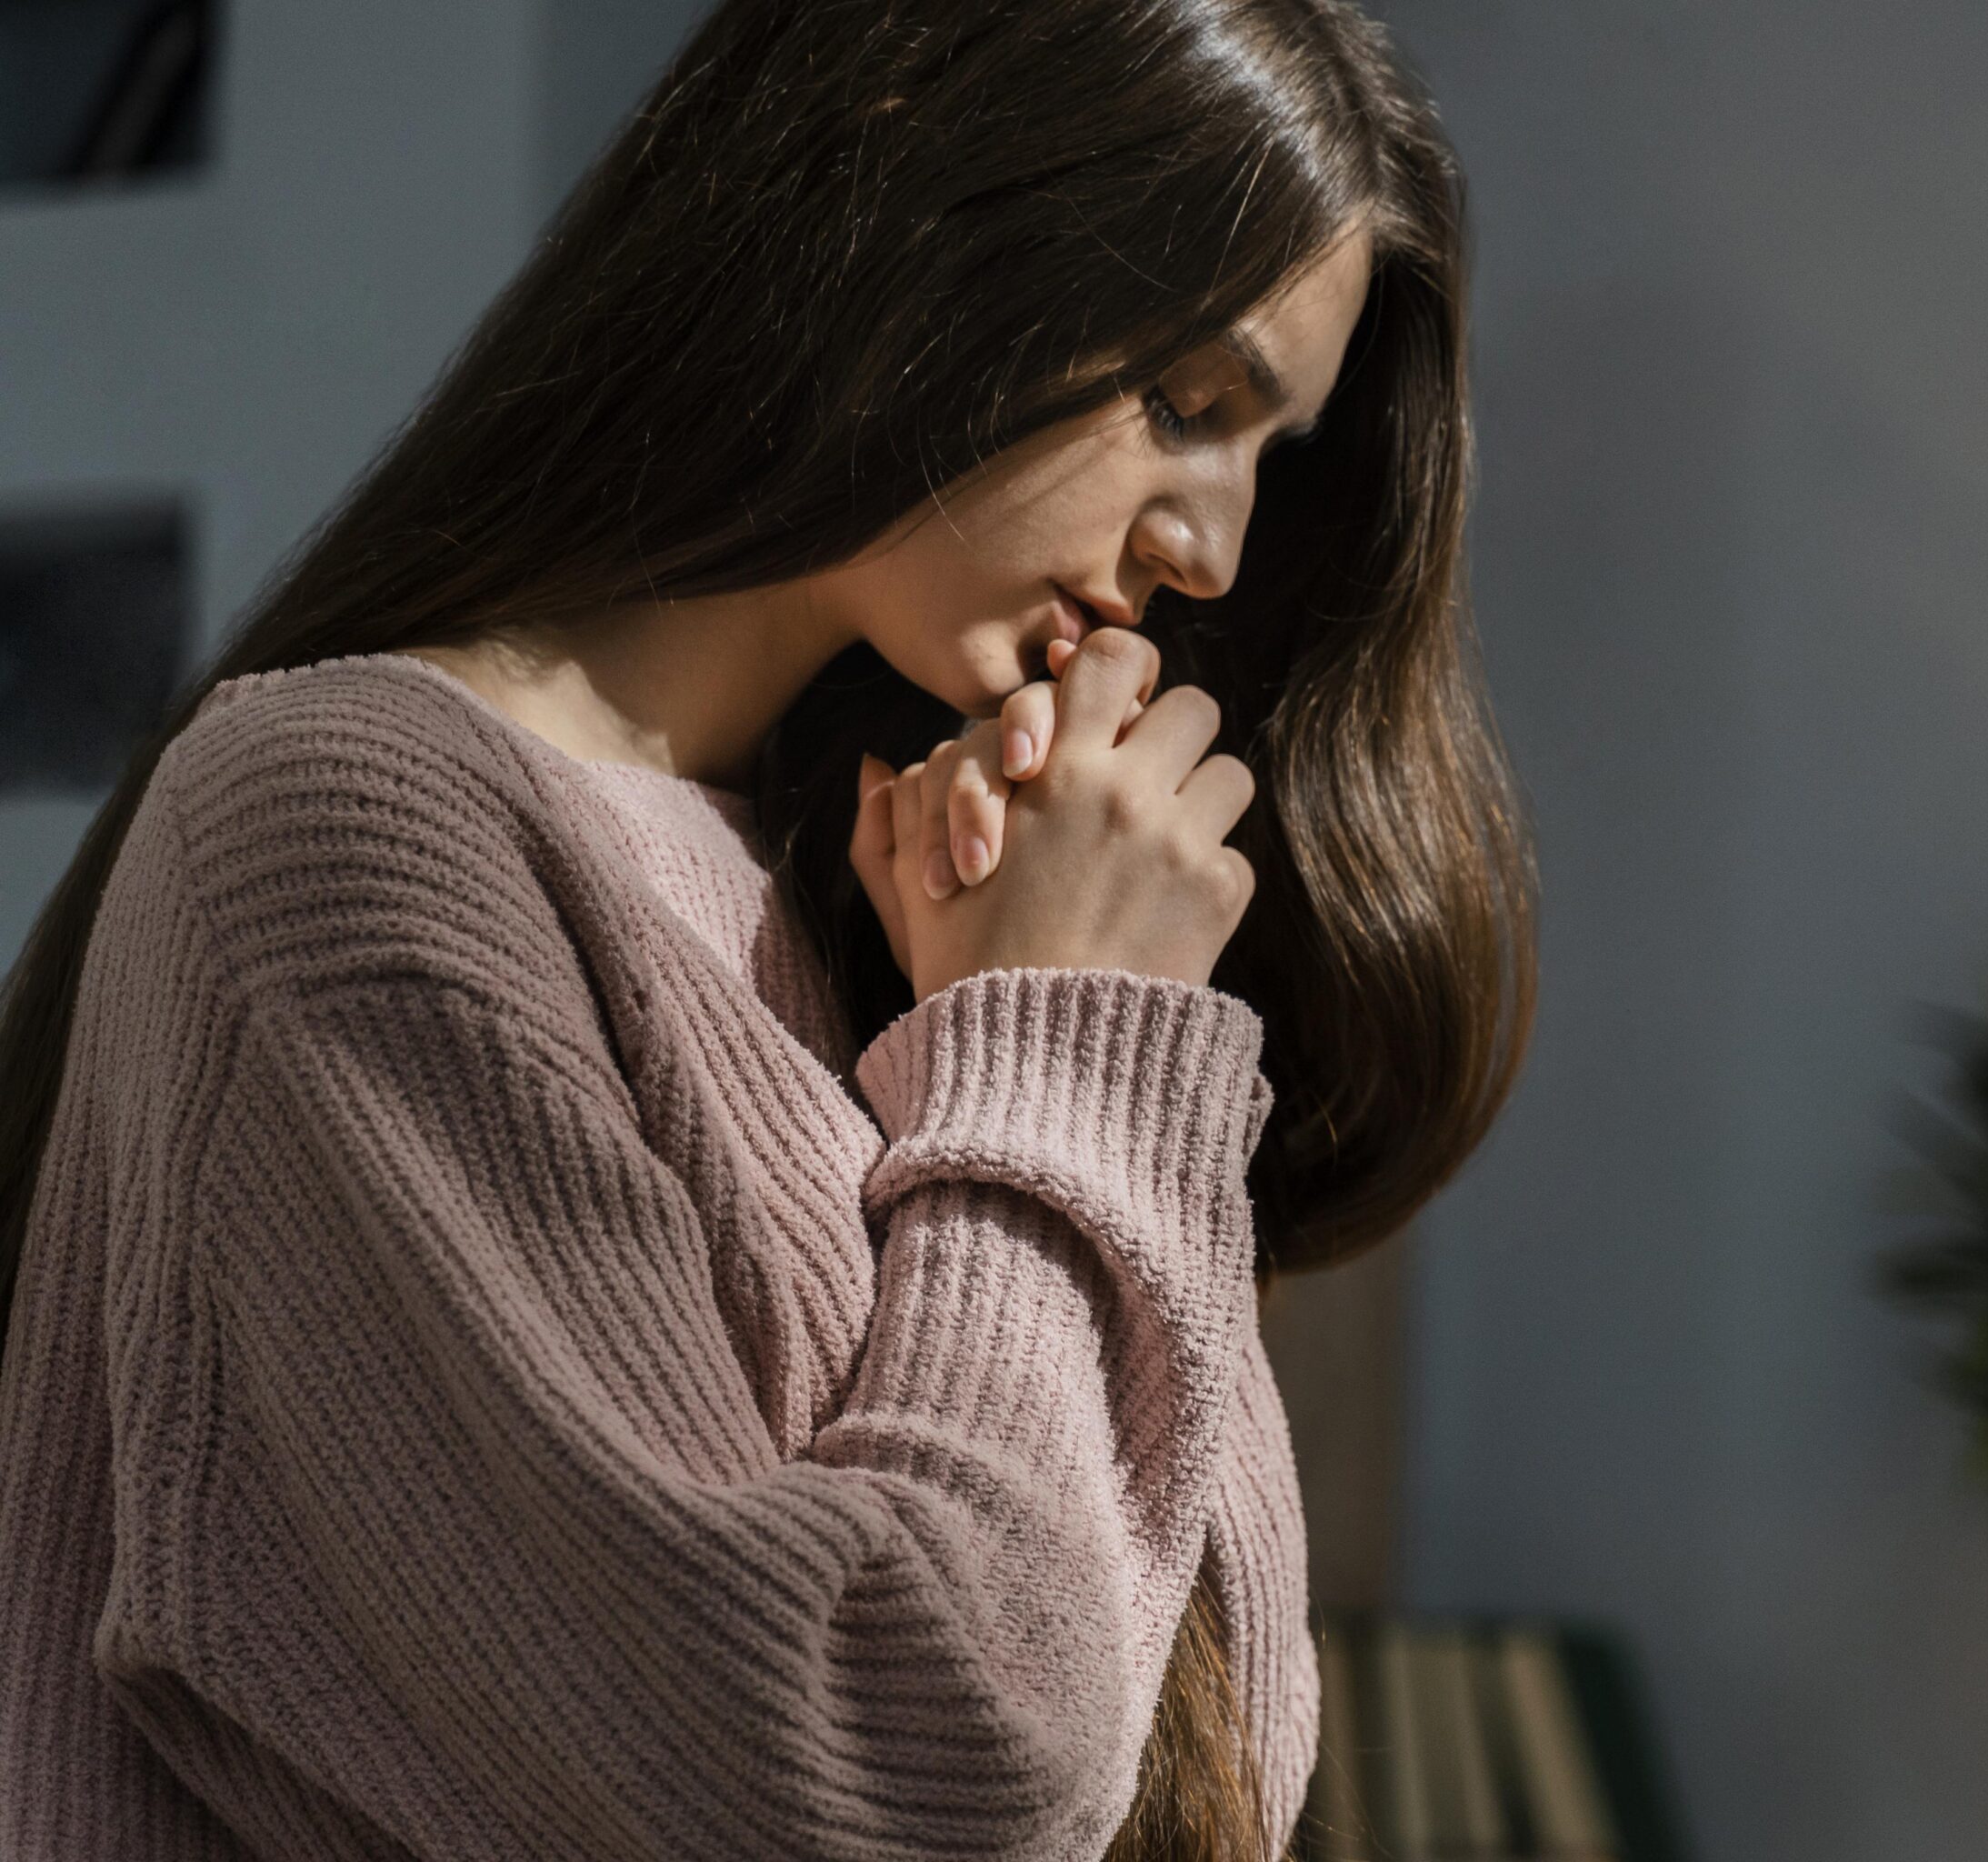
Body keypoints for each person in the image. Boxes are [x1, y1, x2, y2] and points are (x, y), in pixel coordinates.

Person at [0, 1, 1537, 1856]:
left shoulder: (920, 913)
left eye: (1263, 461)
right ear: (918, 220)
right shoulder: (342, 833)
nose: (1208, 548)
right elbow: (893, 1775)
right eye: (1184, 404)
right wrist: (1059, 1035)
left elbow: (1214, 1766)